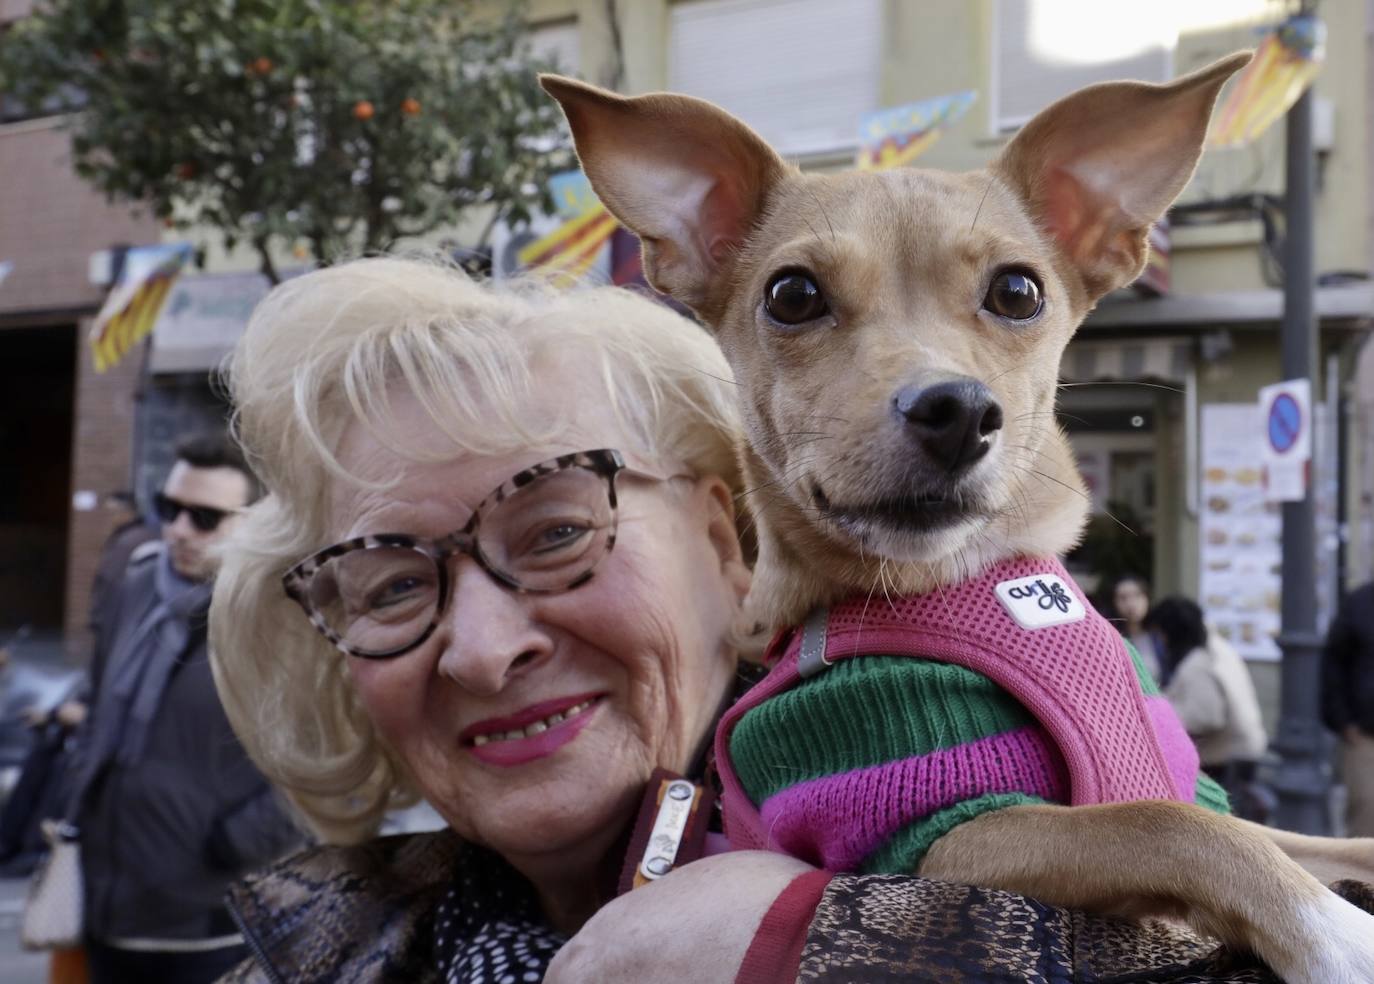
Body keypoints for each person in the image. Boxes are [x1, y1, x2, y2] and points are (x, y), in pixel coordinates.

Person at [210, 258, 1359, 984]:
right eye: (395, 583)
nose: (482, 644)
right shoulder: (301, 959)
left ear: (726, 537)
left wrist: (832, 943)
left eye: (558, 531)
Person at [68, 433, 301, 984]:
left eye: (204, 517)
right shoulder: (139, 583)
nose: (177, 529)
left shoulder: (284, 622)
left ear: (258, 520)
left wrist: (230, 847)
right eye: (169, 508)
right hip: (105, 900)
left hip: (209, 923)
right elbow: (102, 702)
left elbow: (336, 772)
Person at [1145, 597, 1268, 800]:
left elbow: (1206, 716)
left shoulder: (1198, 662)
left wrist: (1161, 714)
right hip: (1241, 750)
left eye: (1160, 634)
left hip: (1225, 758)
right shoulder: (1217, 648)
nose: (1160, 641)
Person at [1323, 579, 1374, 837]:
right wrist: (1343, 722)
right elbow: (1333, 665)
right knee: (1366, 823)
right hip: (1365, 736)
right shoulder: (1360, 603)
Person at [1109, 574, 1162, 681]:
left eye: (1137, 595)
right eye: (1123, 598)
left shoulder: (1159, 636)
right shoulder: (1111, 640)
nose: (1131, 604)